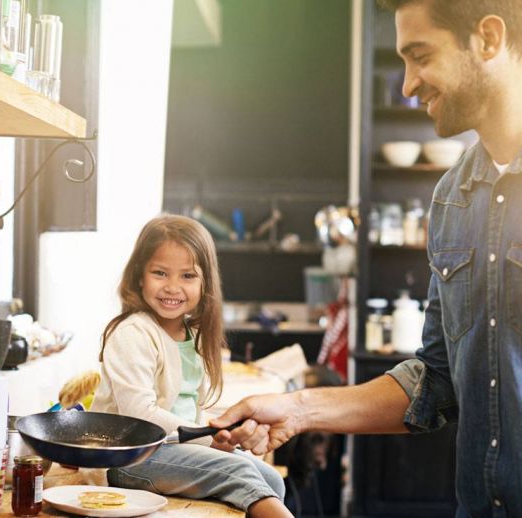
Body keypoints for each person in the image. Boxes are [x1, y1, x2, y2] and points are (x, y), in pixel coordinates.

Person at [211, 1, 522, 516]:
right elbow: (437, 378)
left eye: (420, 55)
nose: (407, 84)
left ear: (487, 40)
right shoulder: (453, 197)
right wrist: (297, 408)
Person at [89, 214, 292, 517]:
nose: (173, 287)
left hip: (174, 448)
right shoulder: (133, 332)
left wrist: (216, 437)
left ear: (204, 282)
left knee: (271, 478)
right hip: (128, 457)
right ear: (138, 275)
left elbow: (186, 411)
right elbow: (140, 415)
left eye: (187, 276)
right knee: (239, 475)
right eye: (160, 273)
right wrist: (206, 435)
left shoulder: (192, 335)